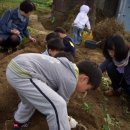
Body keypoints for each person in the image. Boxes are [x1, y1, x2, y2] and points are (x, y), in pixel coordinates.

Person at [6, 53, 102, 130]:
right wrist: (67, 120)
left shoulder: (67, 67)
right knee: (58, 105)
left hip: (16, 66)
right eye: (87, 89)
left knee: (32, 99)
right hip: (22, 73)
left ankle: (18, 123)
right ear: (84, 79)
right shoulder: (71, 80)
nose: (85, 91)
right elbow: (59, 105)